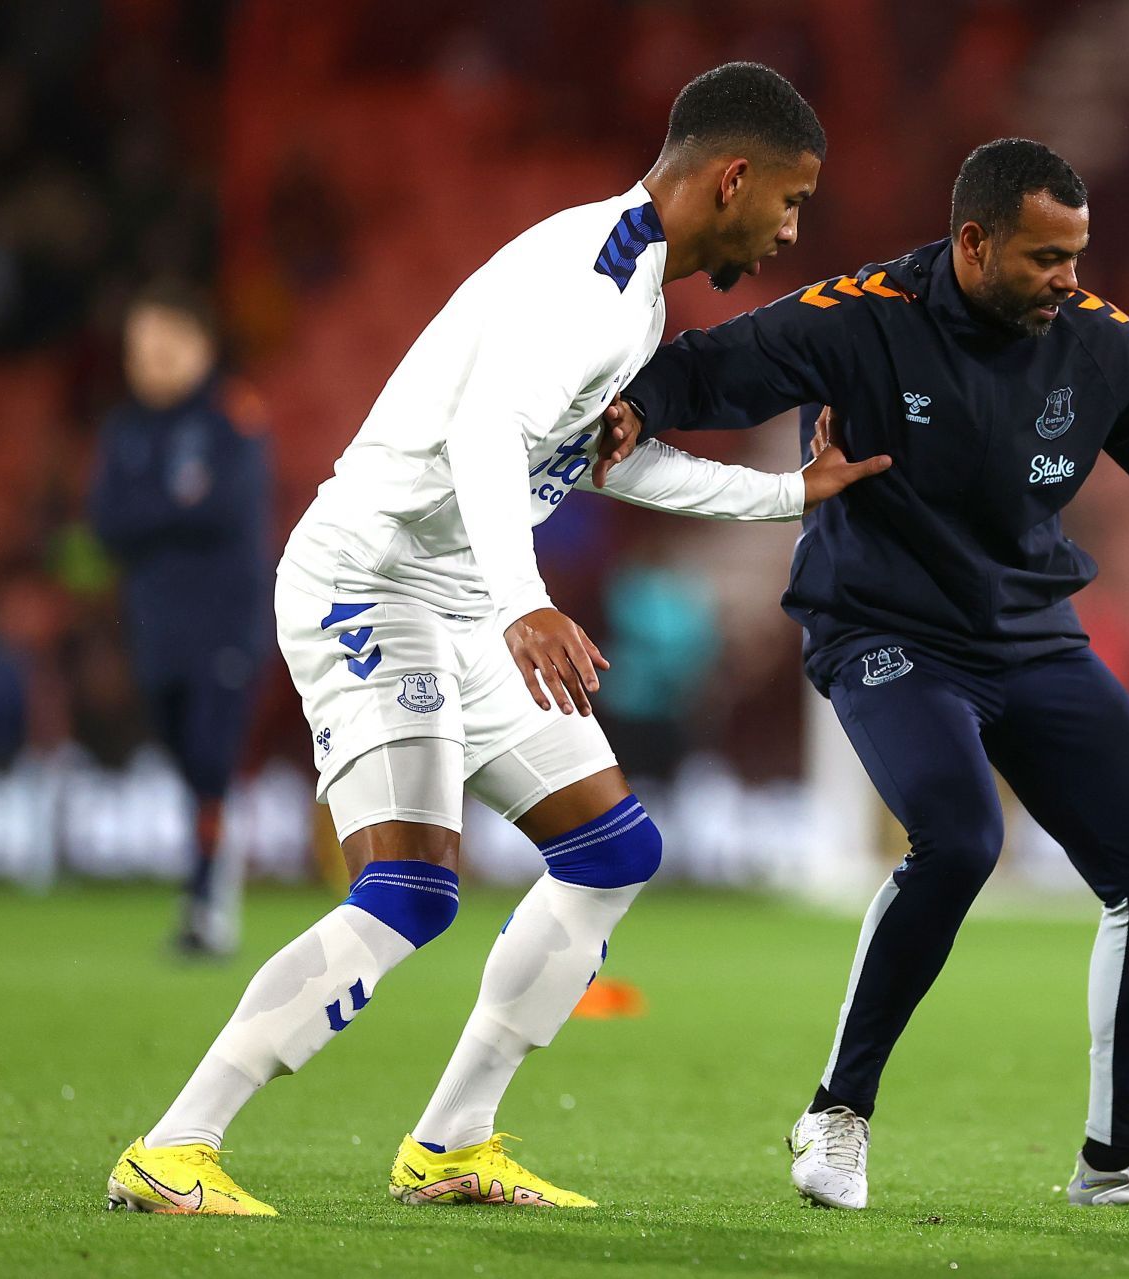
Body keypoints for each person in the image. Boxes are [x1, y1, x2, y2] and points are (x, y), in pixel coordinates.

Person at [107, 62, 888, 1217]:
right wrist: (525, 600)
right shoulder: (587, 283)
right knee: (411, 889)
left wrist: (785, 495)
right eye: (788, 200)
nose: (788, 227)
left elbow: (594, 463)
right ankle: (175, 1146)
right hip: (370, 583)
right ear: (733, 177)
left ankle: (452, 1144)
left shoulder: (635, 295)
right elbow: (484, 439)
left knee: (612, 851)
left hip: (465, 588)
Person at [613, 138, 1129, 1210]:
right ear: (972, 242)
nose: (1070, 279)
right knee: (963, 836)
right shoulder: (866, 315)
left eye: (1079, 254)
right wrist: (640, 404)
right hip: (884, 630)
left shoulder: (1099, 347)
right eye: (1046, 257)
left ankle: (1117, 1159)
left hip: (1027, 633)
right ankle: (836, 1111)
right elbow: (719, 362)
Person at [90, 281, 271, 956]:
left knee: (210, 756)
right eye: (141, 348)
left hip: (225, 621)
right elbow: (107, 521)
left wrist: (154, 515)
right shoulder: (125, 427)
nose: (151, 360)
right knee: (183, 758)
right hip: (156, 624)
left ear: (201, 345)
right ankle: (203, 885)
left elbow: (224, 509)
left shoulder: (231, 415)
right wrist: (173, 509)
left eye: (165, 345)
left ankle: (208, 904)